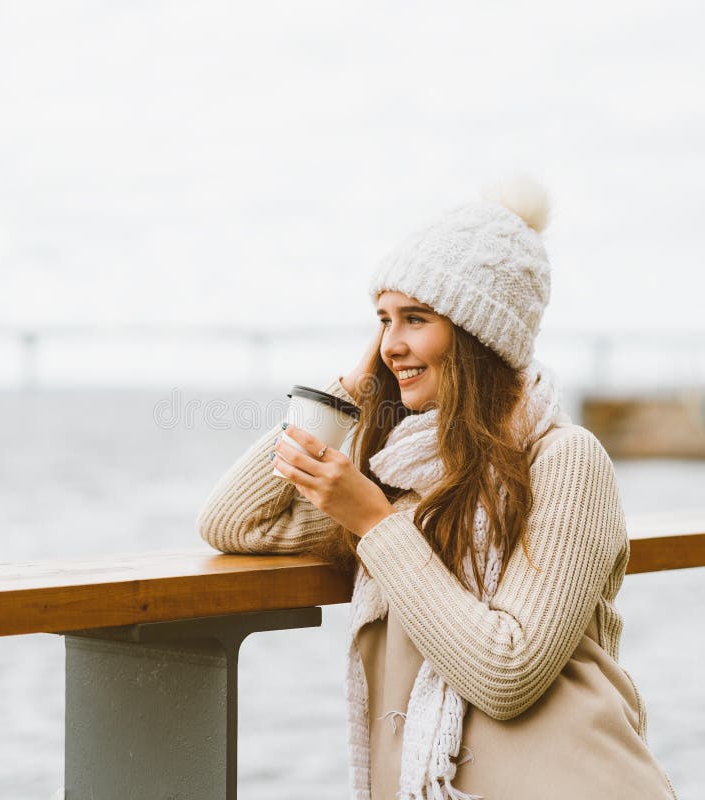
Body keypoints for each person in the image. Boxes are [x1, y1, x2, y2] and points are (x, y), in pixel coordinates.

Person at [196, 173, 678, 800]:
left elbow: (509, 673)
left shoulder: (565, 460)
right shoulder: (404, 478)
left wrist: (374, 525)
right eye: (381, 321)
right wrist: (354, 386)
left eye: (415, 318)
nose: (391, 345)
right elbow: (236, 521)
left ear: (479, 333)